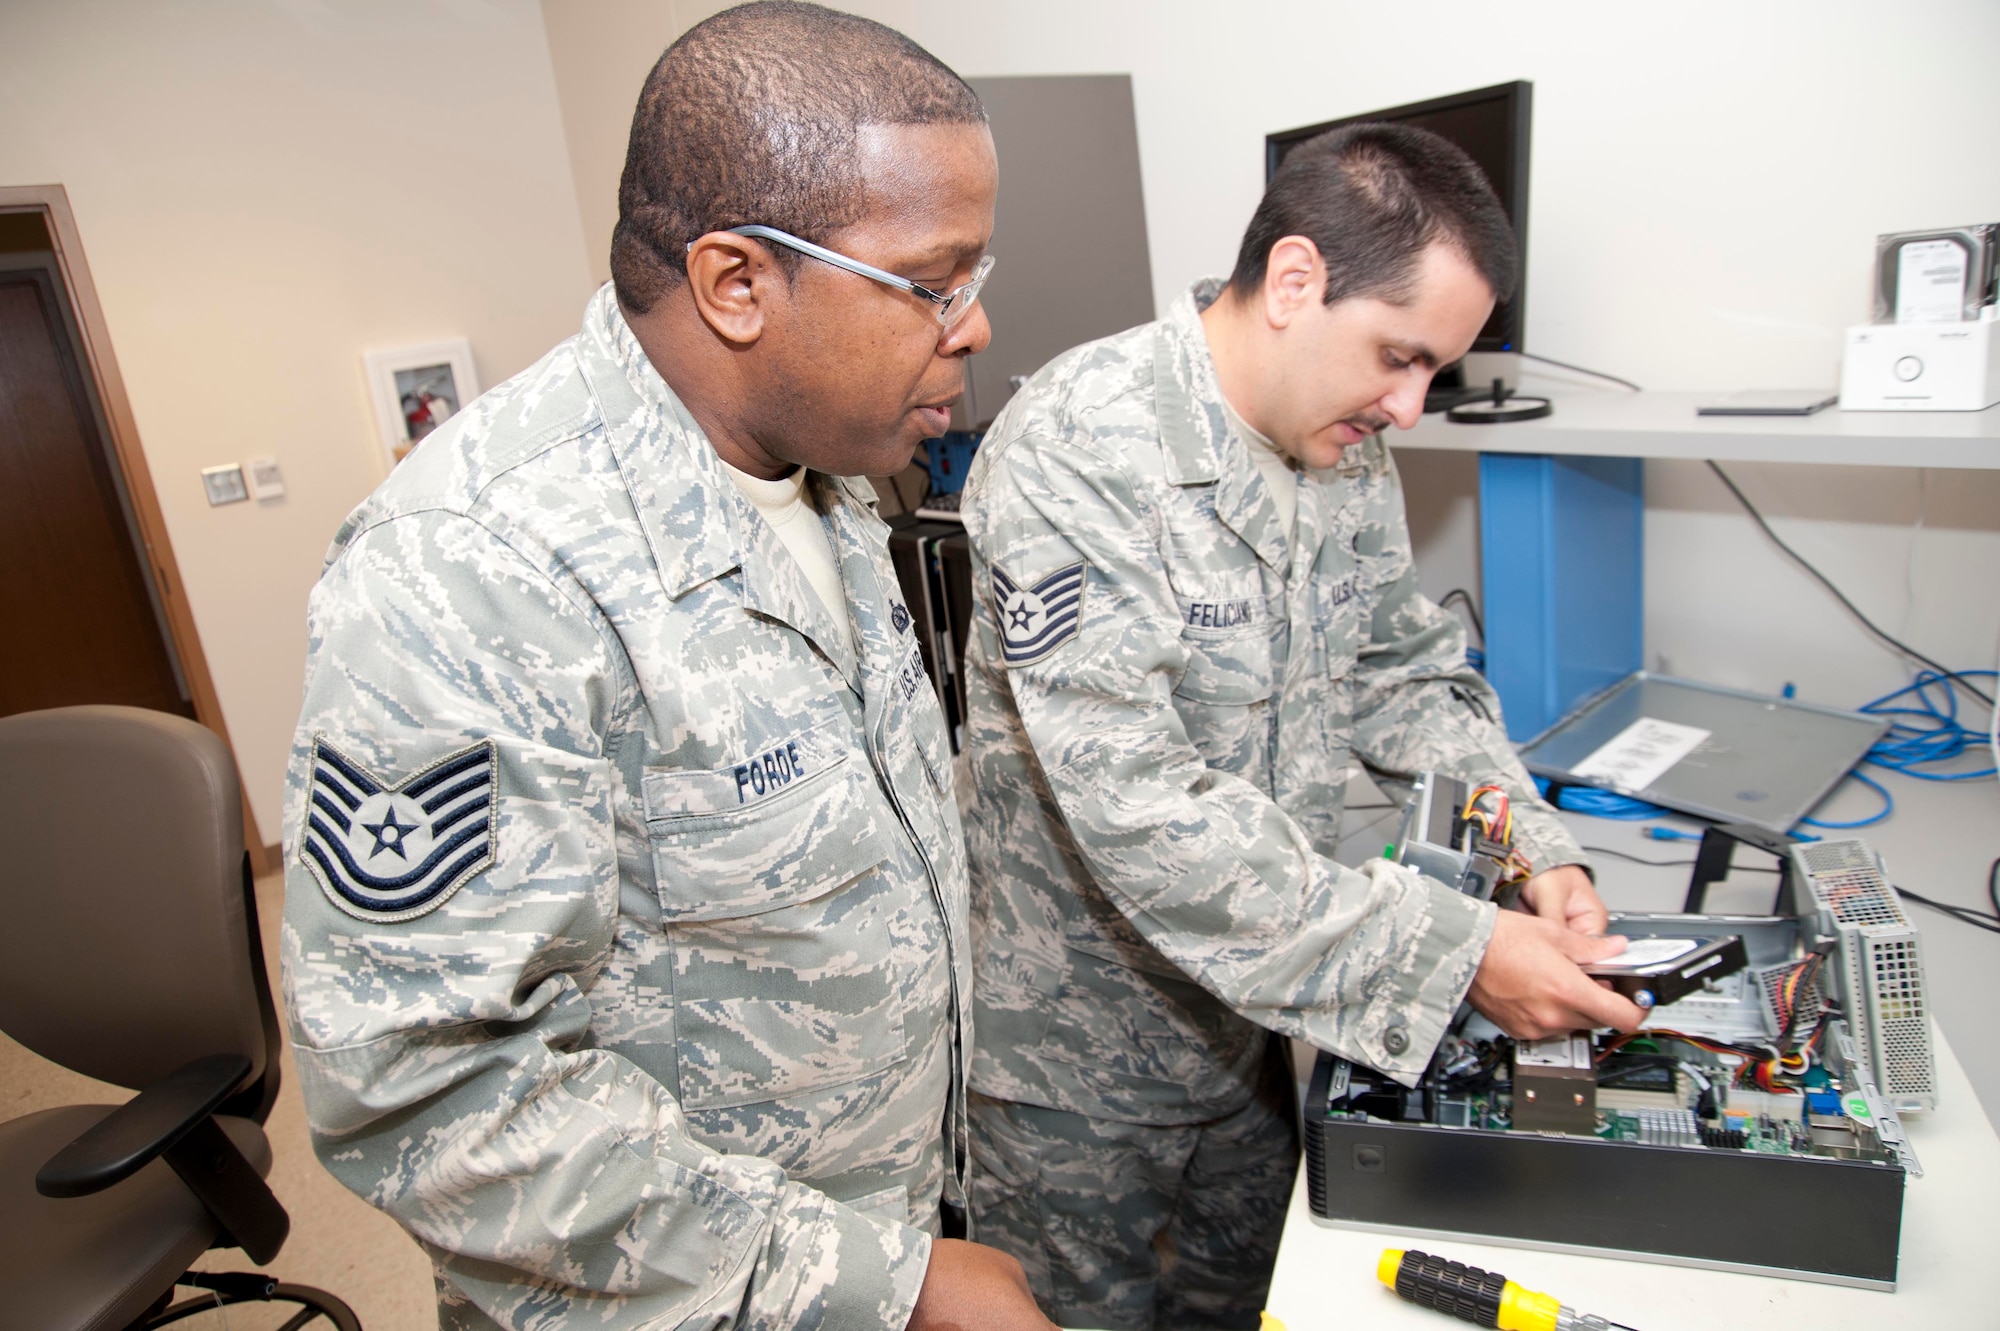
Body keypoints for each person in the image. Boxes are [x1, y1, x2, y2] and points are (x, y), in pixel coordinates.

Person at [281, 6, 1056, 1329]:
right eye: (936, 282)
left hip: (878, 1215)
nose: (974, 327)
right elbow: (433, 1097)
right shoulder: (473, 574)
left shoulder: (823, 474)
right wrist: (891, 1281)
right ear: (737, 282)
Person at [957, 123, 1647, 1331]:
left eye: (1434, 368)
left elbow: (1405, 674)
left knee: (1252, 1306)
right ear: (1292, 282)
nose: (1412, 404)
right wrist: (1454, 953)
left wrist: (1540, 847)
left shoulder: (1342, 448)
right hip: (1075, 1066)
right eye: (1399, 355)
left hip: (1266, 1016)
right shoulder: (1081, 446)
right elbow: (1142, 806)